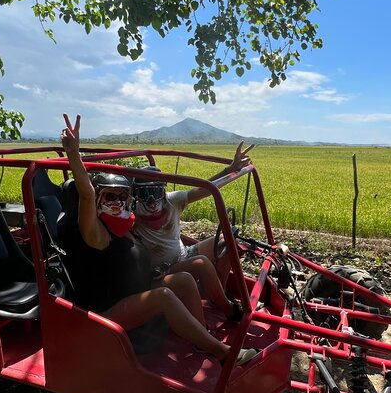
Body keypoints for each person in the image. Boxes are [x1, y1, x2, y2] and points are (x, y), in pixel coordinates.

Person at [59, 113, 257, 365]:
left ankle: (203, 337)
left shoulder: (125, 224)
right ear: (97, 200)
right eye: (109, 197)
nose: (117, 202)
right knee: (164, 295)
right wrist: (73, 153)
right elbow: (86, 194)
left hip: (136, 288)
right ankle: (222, 352)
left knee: (185, 279)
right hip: (108, 308)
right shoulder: (95, 233)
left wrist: (230, 169)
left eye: (122, 196)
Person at [132, 142, 255, 321]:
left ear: (163, 190)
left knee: (230, 241)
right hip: (163, 270)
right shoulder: (132, 213)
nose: (151, 201)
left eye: (155, 191)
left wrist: (230, 170)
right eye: (144, 193)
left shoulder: (173, 201)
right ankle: (228, 309)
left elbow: (204, 188)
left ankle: (217, 295)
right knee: (201, 264)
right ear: (135, 194)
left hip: (184, 254)